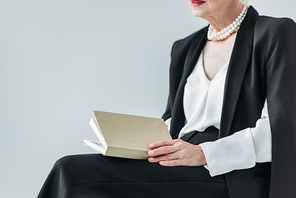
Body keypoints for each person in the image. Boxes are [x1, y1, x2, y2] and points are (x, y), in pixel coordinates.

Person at [38, 0, 296, 197]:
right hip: (180, 158)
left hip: (231, 173)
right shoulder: (184, 48)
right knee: (77, 170)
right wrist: (135, 143)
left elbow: (282, 130)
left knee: (71, 173)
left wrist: (204, 153)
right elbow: (173, 120)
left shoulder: (275, 33)